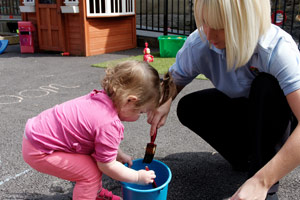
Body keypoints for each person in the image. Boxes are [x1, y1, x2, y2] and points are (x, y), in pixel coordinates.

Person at [147, 0, 300, 199]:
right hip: (244, 110)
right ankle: (242, 158)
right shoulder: (199, 42)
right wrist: (165, 99)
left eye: (220, 27)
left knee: (267, 86)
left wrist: (261, 181)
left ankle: (263, 183)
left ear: (249, 23)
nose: (209, 35)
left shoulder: (276, 49)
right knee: (190, 107)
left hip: (279, 119)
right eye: (204, 23)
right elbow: (175, 78)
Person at [22, 60, 175, 200]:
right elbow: (107, 165)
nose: (139, 117)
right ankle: (88, 193)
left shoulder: (102, 98)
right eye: (140, 112)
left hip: (37, 137)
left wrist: (118, 154)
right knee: (89, 173)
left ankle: (93, 192)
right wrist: (137, 177)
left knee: (93, 162)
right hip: (40, 150)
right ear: (130, 101)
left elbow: (99, 143)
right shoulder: (109, 123)